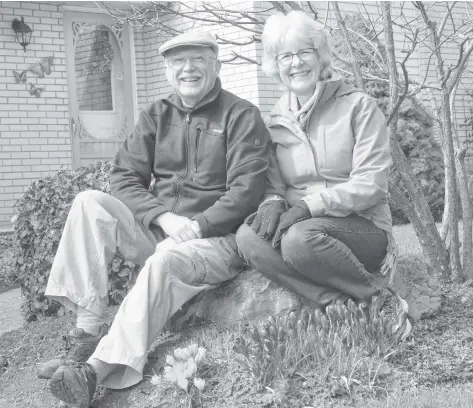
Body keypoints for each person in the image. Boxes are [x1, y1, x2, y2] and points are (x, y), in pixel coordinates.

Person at [37, 31, 271, 407]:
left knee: (165, 259)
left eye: (197, 58)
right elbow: (123, 175)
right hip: (162, 232)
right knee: (89, 203)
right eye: (178, 61)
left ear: (216, 63)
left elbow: (246, 192)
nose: (188, 68)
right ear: (166, 70)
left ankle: (93, 371)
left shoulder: (242, 116)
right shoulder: (157, 115)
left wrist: (194, 227)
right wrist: (163, 218)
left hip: (217, 242)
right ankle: (85, 336)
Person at [236, 11, 411, 339]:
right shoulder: (275, 120)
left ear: (321, 56)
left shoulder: (358, 107)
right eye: (285, 56)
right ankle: (338, 303)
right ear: (276, 65)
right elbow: (275, 181)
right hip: (303, 225)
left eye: (305, 52)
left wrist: (309, 206)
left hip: (362, 226)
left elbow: (371, 184)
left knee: (299, 241)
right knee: (248, 238)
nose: (296, 63)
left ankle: (379, 297)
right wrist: (274, 200)